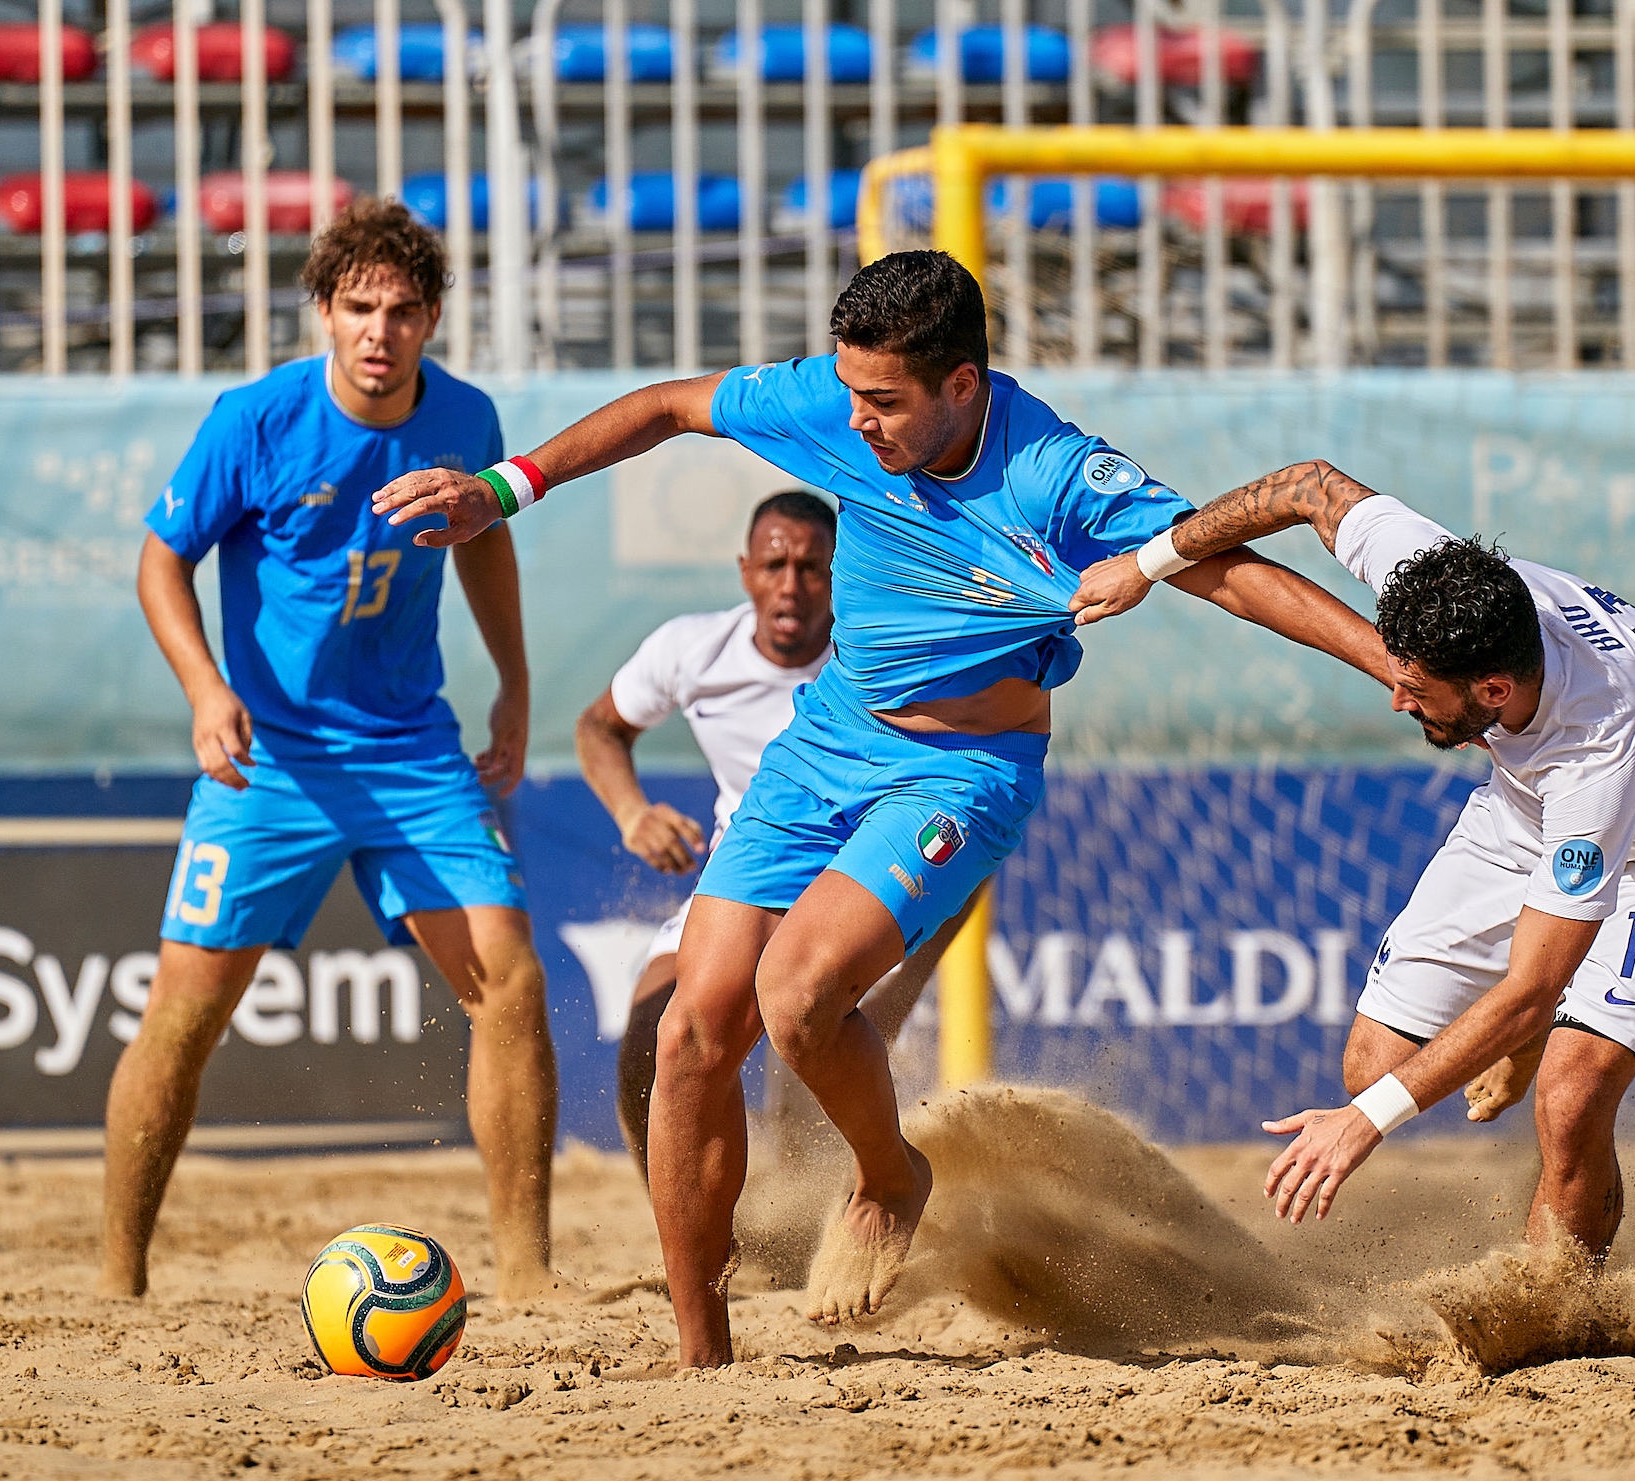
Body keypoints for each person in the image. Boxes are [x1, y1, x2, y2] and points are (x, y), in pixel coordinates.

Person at [369, 250, 1386, 1365]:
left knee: (797, 994)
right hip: (828, 741)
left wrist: (1390, 663)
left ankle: (892, 1170)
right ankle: (702, 1357)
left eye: (885, 403)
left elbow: (1229, 568)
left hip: (962, 769)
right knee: (692, 1033)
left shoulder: (1056, 473)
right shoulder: (838, 401)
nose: (855, 422)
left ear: (963, 386)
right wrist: (504, 486)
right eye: (851, 393)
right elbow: (668, 406)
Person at [1071, 462, 1635, 1258]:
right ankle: (1525, 1035)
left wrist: (1362, 1128)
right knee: (1374, 1067)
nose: (1399, 701)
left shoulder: (1597, 744)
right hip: (1522, 810)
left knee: (1570, 1098)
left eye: (1415, 689)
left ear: (1494, 688)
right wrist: (1149, 563)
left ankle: (1559, 1313)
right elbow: (1308, 486)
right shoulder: (1449, 584)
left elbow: (1531, 989)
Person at [105, 199, 561, 1301]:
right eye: (358, 307)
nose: (380, 330)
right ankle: (118, 1278)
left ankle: (531, 1275)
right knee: (182, 1014)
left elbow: (481, 543)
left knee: (510, 982)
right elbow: (161, 563)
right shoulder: (254, 419)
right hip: (271, 760)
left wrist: (514, 681)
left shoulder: (466, 415)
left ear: (434, 316)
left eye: (403, 310)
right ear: (322, 310)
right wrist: (207, 690)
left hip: (412, 751)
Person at [574, 488, 968, 1181]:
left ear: (841, 574)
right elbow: (600, 727)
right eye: (774, 564)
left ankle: (865, 1196)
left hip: (863, 885)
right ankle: (706, 1232)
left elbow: (968, 794)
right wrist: (633, 812)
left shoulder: (882, 661)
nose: (791, 585)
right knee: (653, 1042)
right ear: (745, 569)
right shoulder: (693, 649)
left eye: (813, 568)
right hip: (748, 875)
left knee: (808, 1060)